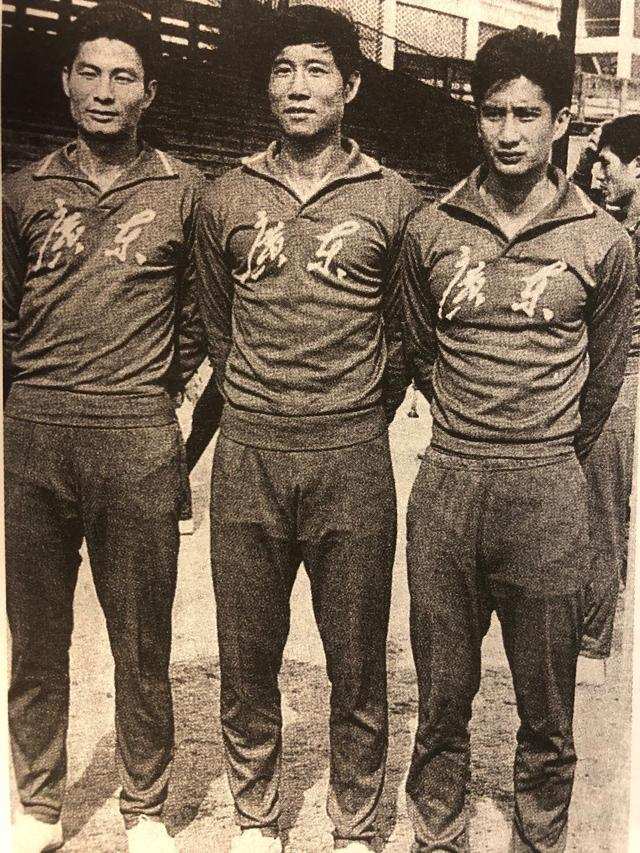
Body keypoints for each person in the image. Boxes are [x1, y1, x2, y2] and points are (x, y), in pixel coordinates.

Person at [396, 27, 635, 853]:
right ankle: (438, 832)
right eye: (493, 112)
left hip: (547, 486)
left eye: (527, 114)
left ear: (561, 121)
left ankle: (540, 837)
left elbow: (603, 379)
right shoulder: (432, 227)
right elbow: (419, 348)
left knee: (547, 704)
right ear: (476, 117)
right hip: (450, 481)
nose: (508, 132)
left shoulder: (603, 240)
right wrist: (471, 426)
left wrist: (542, 445)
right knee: (441, 696)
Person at [194, 5, 421, 852]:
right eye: (284, 68)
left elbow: (405, 335)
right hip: (250, 449)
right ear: (267, 85)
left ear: (350, 86)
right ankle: (256, 817)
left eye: (317, 69)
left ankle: (354, 823)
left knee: (355, 658)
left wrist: (354, 409)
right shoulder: (225, 194)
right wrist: (262, 400)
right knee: (247, 651)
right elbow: (218, 327)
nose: (298, 86)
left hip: (350, 453)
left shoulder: (393, 197)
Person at [3, 3, 205, 851]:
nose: (104, 91)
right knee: (36, 636)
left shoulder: (184, 189)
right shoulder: (22, 189)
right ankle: (38, 805)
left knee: (141, 639)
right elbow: (4, 319)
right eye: (89, 72)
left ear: (149, 93)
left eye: (124, 77)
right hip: (37, 426)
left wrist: (155, 393)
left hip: (135, 430)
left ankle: (145, 808)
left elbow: (200, 319)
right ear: (65, 81)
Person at [576, 113, 640, 684]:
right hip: (615, 377)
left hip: (623, 381)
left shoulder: (622, 235)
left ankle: (592, 647)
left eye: (607, 164)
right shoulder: (618, 225)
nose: (597, 175)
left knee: (601, 513)